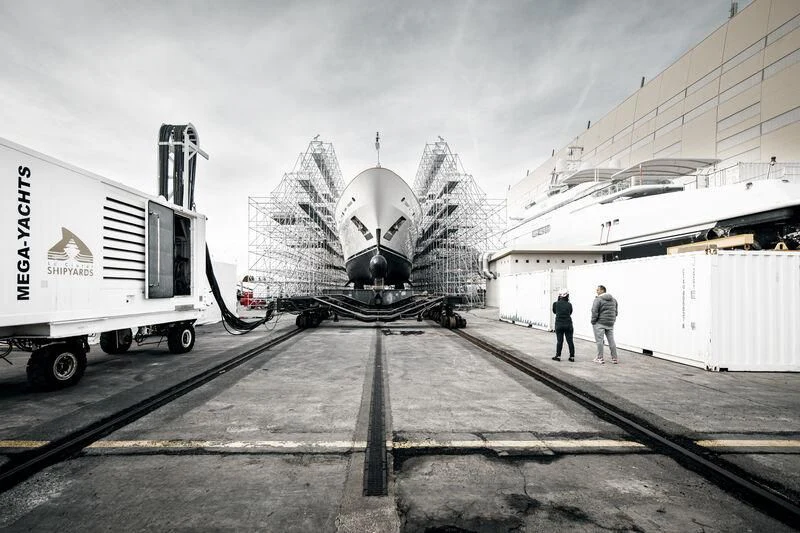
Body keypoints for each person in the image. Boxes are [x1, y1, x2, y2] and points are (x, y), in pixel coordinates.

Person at [591, 284, 619, 364]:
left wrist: (593, 321)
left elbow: (594, 311)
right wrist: (612, 320)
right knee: (611, 340)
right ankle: (614, 358)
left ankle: (600, 358)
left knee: (599, 341)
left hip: (600, 323)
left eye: (598, 290)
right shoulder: (614, 300)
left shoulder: (598, 300)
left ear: (602, 290)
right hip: (610, 323)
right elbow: (616, 312)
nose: (596, 291)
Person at [551, 289, 575, 362]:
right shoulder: (569, 304)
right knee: (570, 341)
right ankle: (572, 357)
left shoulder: (555, 304)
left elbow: (554, 311)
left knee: (559, 341)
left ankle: (558, 356)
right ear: (567, 295)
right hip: (568, 324)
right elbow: (570, 312)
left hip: (559, 324)